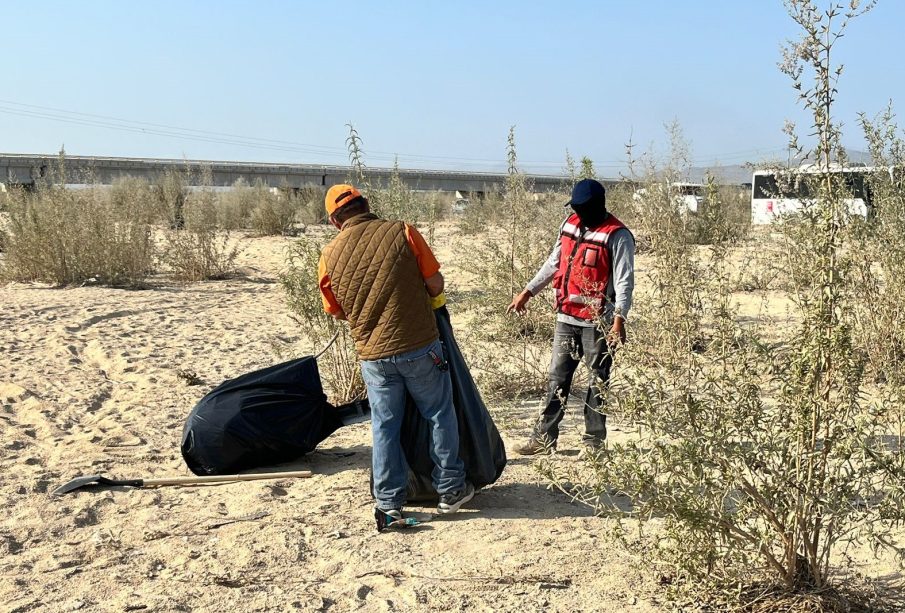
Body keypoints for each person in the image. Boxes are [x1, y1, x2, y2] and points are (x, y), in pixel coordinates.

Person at [318, 184, 474, 530]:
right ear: (367, 205)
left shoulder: (328, 255)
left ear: (333, 221)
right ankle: (450, 491)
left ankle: (388, 503)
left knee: (385, 426)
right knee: (438, 414)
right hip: (420, 347)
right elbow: (435, 284)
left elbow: (337, 311)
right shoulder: (402, 231)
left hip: (373, 357)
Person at [507, 178, 635, 455]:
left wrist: (618, 321)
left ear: (596, 206)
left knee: (597, 382)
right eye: (574, 207)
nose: (577, 213)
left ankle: (593, 444)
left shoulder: (617, 235)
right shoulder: (569, 224)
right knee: (557, 379)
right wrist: (528, 291)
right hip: (566, 318)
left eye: (581, 208)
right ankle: (544, 439)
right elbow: (554, 262)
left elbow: (625, 282)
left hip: (598, 322)